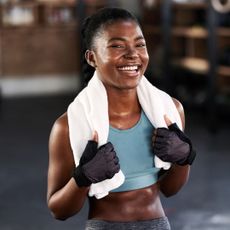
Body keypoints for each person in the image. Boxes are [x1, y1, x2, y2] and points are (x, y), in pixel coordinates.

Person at [47, 7, 196, 230]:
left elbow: (169, 190)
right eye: (117, 45)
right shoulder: (68, 126)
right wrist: (83, 177)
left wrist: (184, 158)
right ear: (92, 58)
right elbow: (59, 210)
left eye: (139, 44)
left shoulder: (169, 111)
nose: (132, 54)